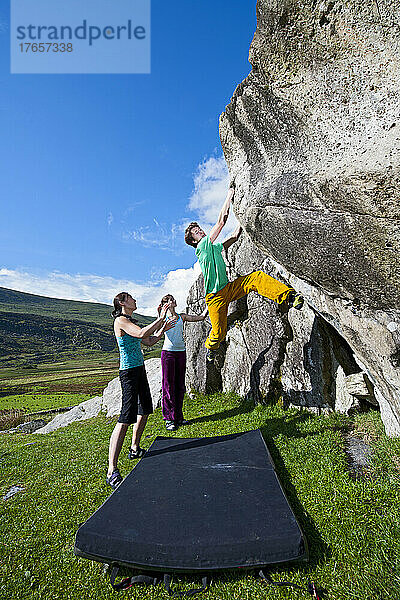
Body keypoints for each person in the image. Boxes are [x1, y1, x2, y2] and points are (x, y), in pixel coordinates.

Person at [184, 185, 304, 362]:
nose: (200, 231)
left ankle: (289, 297)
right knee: (219, 332)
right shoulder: (202, 247)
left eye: (199, 228)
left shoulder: (213, 247)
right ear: (194, 241)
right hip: (215, 297)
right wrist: (229, 196)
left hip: (229, 288)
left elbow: (231, 239)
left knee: (256, 278)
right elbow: (221, 222)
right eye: (196, 232)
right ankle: (210, 347)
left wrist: (241, 221)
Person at [106, 292, 177, 490]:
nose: (135, 301)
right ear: (122, 303)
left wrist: (162, 327)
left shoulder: (130, 321)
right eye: (131, 298)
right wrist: (160, 318)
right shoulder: (120, 321)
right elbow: (140, 334)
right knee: (125, 418)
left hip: (139, 370)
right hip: (128, 373)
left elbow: (148, 341)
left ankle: (134, 448)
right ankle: (112, 470)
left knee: (144, 410)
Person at [158, 294, 207, 432]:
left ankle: (178, 416)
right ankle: (169, 418)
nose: (174, 301)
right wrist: (160, 317)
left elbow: (201, 317)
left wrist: (210, 304)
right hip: (168, 353)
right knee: (168, 385)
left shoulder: (182, 316)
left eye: (174, 299)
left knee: (180, 385)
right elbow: (156, 332)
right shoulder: (163, 319)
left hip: (181, 352)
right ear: (166, 304)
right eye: (170, 300)